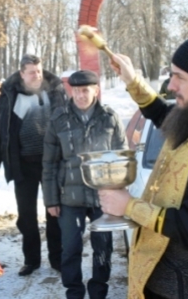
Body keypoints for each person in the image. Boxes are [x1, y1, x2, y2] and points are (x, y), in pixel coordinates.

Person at [98, 33, 188, 298]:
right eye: (172, 74)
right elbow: (167, 117)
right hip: (161, 279)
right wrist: (133, 81)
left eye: (180, 77)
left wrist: (129, 205)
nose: (171, 85)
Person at [42, 70, 128, 298]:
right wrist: (51, 200)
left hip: (103, 197)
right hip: (69, 198)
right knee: (70, 249)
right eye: (76, 90)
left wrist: (119, 194)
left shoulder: (110, 117)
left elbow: (121, 159)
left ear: (96, 90)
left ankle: (99, 291)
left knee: (103, 249)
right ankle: (74, 291)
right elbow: (49, 163)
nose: (80, 95)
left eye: (85, 90)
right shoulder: (59, 119)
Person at [0, 54, 65, 276]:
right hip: (23, 165)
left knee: (54, 213)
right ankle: (32, 260)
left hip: (52, 163)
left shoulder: (55, 92)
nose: (36, 75)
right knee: (26, 216)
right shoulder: (9, 97)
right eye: (31, 72)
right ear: (21, 74)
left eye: (38, 71)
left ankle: (57, 259)